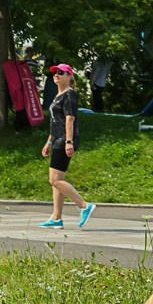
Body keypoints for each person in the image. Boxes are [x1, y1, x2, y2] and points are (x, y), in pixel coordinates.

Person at [40, 65, 95, 229]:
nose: (56, 75)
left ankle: (84, 206)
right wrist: (49, 141)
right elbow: (55, 122)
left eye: (60, 73)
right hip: (57, 140)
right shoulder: (58, 95)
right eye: (54, 73)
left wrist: (69, 142)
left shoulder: (69, 94)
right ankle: (56, 218)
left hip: (64, 140)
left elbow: (69, 119)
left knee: (54, 180)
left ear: (69, 76)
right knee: (57, 181)